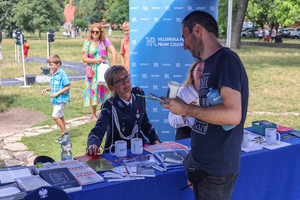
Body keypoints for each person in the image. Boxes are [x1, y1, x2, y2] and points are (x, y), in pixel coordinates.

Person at [161, 11, 249, 200]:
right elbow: (207, 117)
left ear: (198, 30)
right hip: (201, 165)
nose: (184, 45)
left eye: (185, 38)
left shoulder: (226, 60)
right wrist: (193, 163)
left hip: (217, 168)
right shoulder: (207, 64)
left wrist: (185, 109)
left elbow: (233, 115)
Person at [86, 65, 160, 155]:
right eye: (119, 81)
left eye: (126, 77)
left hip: (138, 150)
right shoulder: (109, 105)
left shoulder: (138, 94)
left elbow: (145, 123)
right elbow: (99, 129)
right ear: (111, 87)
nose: (126, 82)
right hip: (116, 154)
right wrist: (93, 144)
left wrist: (155, 141)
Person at [82, 23, 117, 122]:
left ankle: (104, 112)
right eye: (93, 31)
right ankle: (93, 114)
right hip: (92, 72)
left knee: (105, 91)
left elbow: (114, 52)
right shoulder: (87, 42)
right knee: (93, 92)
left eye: (97, 32)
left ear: (100, 32)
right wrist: (96, 60)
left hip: (103, 70)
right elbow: (84, 58)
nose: (95, 34)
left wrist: (113, 67)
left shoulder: (105, 41)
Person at [168, 59, 204, 140]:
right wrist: (186, 110)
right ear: (192, 73)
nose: (202, 74)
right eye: (199, 70)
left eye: (205, 71)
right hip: (187, 134)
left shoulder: (214, 92)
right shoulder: (182, 91)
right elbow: (172, 121)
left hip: (208, 135)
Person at [41, 55, 71, 143]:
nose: (50, 67)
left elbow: (68, 87)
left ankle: (65, 134)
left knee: (55, 116)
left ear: (58, 64)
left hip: (61, 99)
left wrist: (57, 93)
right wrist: (46, 89)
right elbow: (54, 86)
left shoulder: (62, 74)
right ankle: (64, 135)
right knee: (60, 116)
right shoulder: (54, 74)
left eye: (51, 64)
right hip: (56, 100)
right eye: (49, 65)